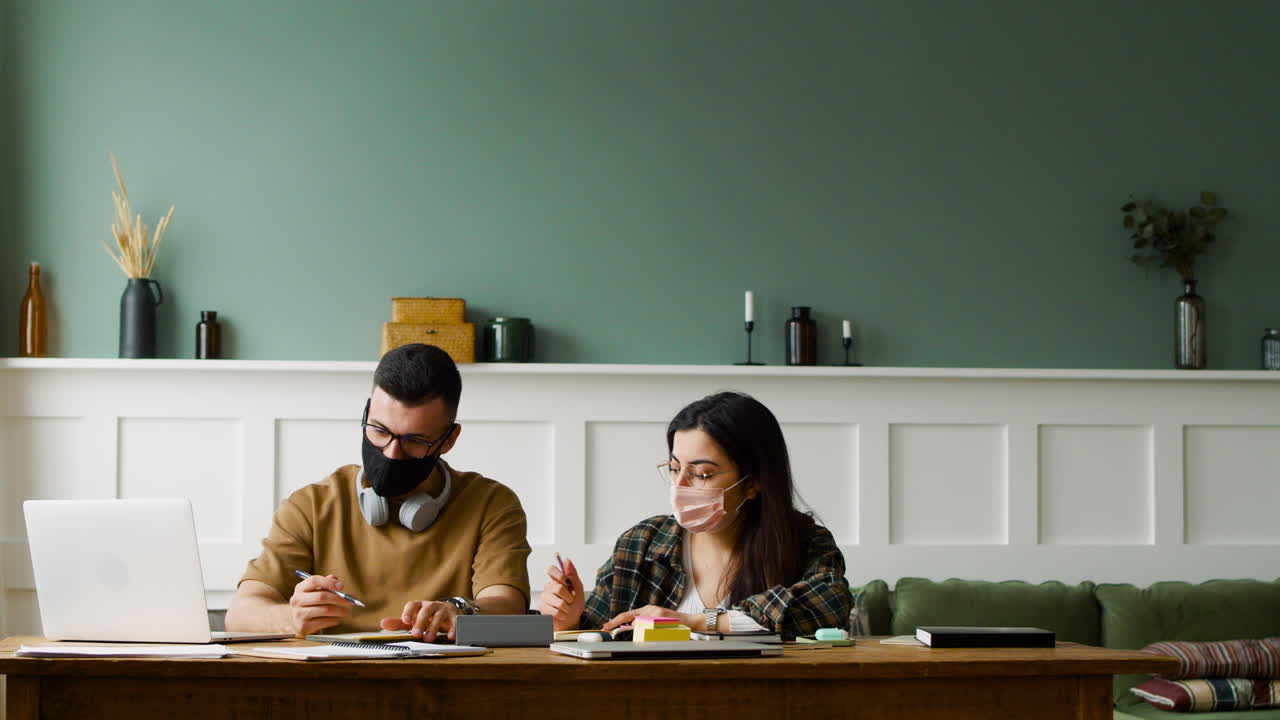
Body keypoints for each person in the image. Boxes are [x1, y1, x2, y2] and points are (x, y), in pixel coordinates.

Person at [226, 344, 531, 640]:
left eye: (415, 440)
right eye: (380, 430)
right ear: (366, 414)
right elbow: (240, 613)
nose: (392, 453)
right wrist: (292, 618)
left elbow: (507, 604)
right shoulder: (311, 505)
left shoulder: (492, 504)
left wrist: (460, 612)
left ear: (449, 440)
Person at [539, 391, 850, 639]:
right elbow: (598, 633)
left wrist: (692, 621)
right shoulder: (641, 544)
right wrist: (568, 619)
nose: (680, 486)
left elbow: (828, 606)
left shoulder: (805, 542)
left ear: (754, 482)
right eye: (675, 469)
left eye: (702, 474)